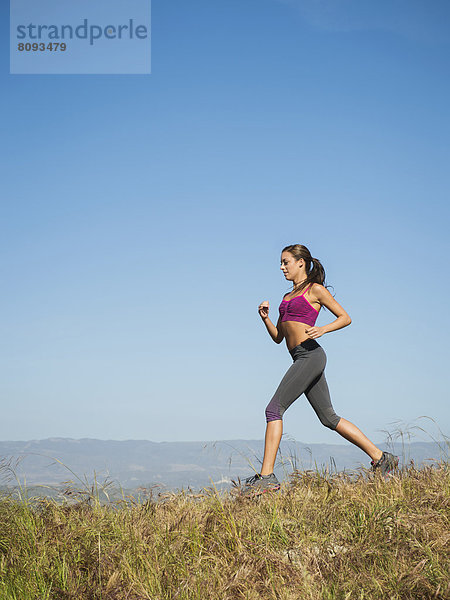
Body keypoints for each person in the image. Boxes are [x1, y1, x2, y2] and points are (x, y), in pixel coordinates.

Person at [244, 244, 398, 494]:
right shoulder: (286, 298)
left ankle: (267, 477)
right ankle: (382, 458)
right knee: (329, 418)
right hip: (299, 358)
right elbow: (278, 338)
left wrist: (323, 329)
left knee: (273, 410)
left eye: (286, 262)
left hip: (311, 355)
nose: (282, 267)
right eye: (281, 263)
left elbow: (345, 317)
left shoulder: (315, 290)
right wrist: (266, 318)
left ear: (300, 263)